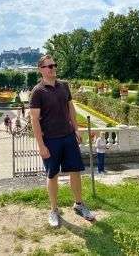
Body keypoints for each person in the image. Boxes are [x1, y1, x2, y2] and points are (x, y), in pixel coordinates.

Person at [30, 55, 95, 227]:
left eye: (54, 65)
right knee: (52, 175)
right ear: (41, 69)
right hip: (50, 140)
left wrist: (76, 129)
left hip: (68, 137)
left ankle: (79, 204)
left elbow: (71, 109)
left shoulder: (64, 86)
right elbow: (34, 120)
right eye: (48, 66)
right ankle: (53, 209)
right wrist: (41, 145)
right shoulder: (38, 91)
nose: (52, 68)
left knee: (75, 171)